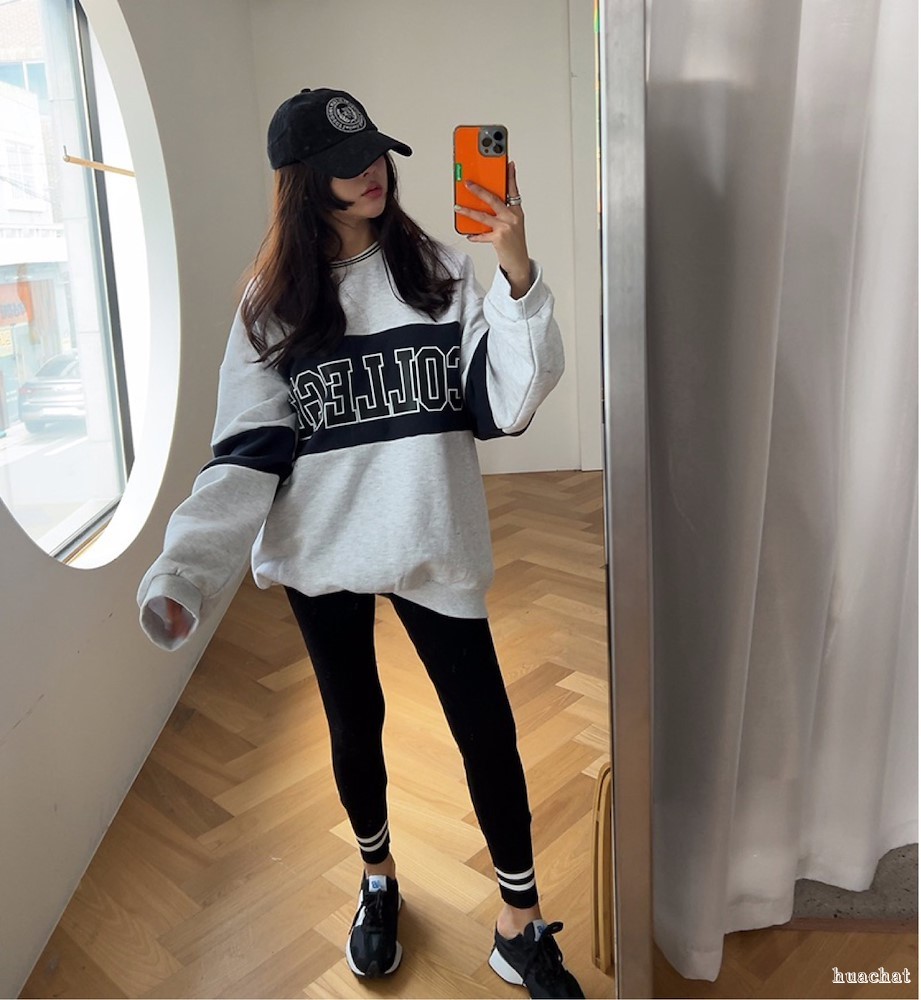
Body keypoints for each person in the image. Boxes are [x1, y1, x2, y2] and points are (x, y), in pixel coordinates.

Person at [137, 87, 584, 1000]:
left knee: (486, 726)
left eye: (376, 152)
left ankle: (518, 921)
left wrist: (517, 275)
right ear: (303, 182)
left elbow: (504, 404)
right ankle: (377, 880)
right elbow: (246, 455)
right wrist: (186, 568)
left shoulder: (441, 274)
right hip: (323, 549)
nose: (372, 172)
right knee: (354, 721)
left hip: (431, 536)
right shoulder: (271, 306)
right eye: (347, 164)